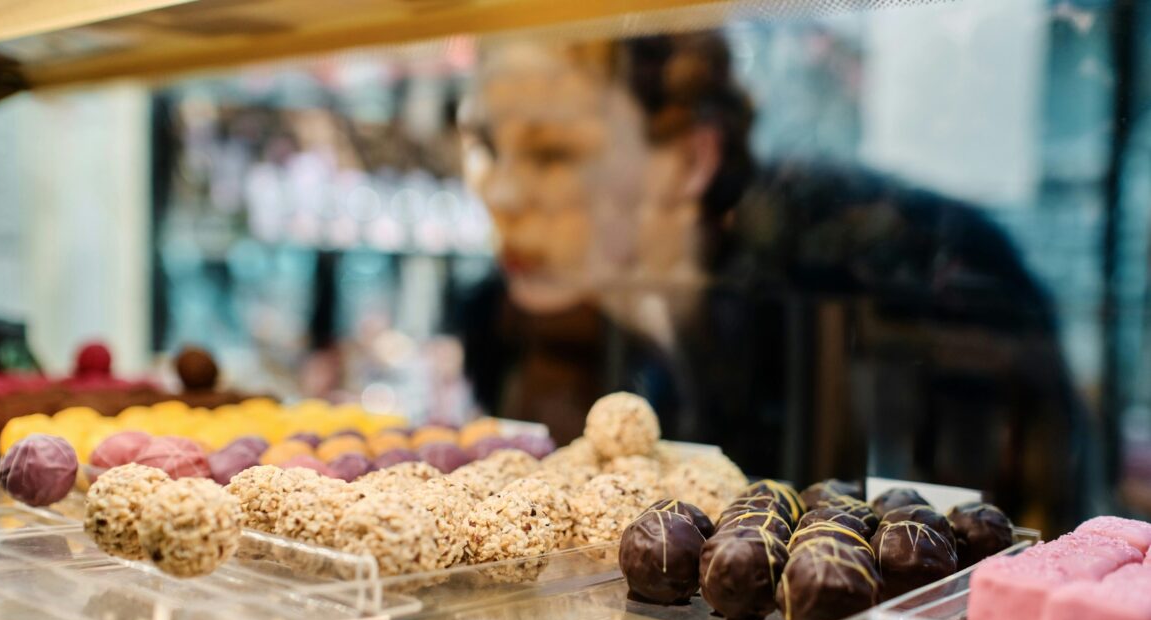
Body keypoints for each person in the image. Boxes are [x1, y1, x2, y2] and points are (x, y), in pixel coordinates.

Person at [453, 32, 1091, 533]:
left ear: (690, 159)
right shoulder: (526, 326)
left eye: (552, 153)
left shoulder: (849, 290)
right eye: (485, 142)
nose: (499, 192)